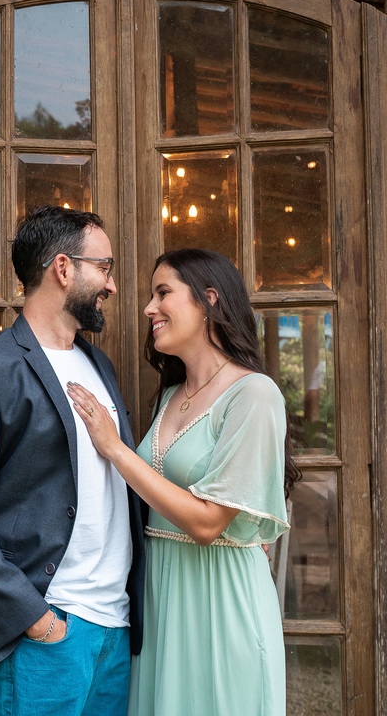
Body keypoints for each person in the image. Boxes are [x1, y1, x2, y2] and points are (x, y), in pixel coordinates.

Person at [0, 205, 146, 716]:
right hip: (46, 635)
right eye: (104, 267)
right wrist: (37, 621)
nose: (112, 284)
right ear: (63, 268)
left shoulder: (99, 364)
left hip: (115, 631)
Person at [66, 247, 292, 716]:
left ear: (209, 299)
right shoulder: (169, 395)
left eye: (163, 293)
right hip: (160, 597)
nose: (149, 308)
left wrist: (115, 448)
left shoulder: (254, 393)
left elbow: (209, 523)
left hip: (221, 600)